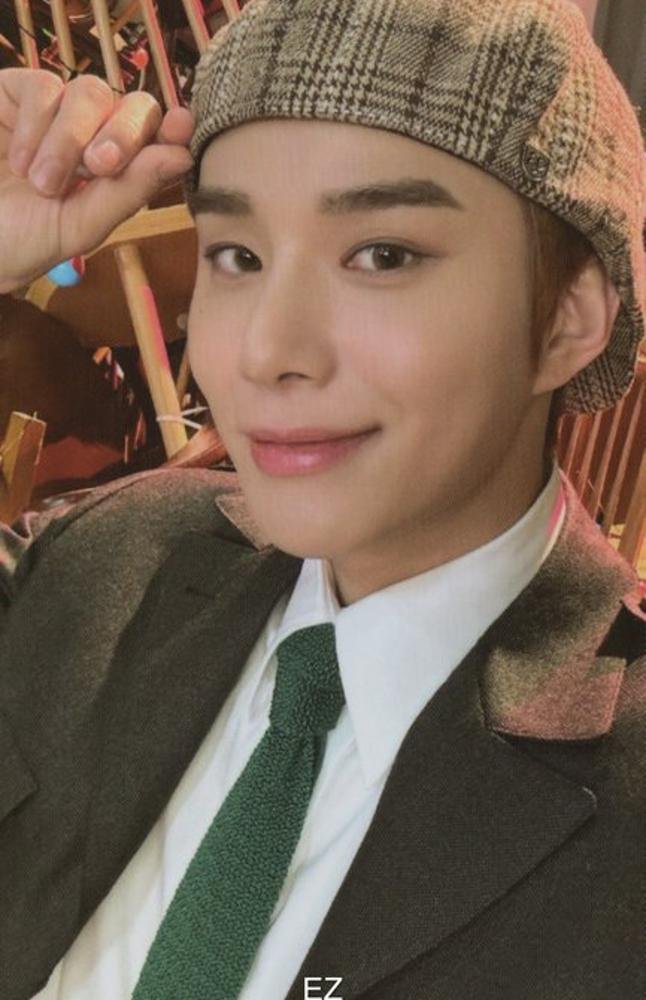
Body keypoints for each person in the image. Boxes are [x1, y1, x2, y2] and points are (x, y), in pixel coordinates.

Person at [0, 0, 645, 997]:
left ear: (565, 320)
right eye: (238, 256)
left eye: (382, 255)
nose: (267, 351)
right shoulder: (108, 559)